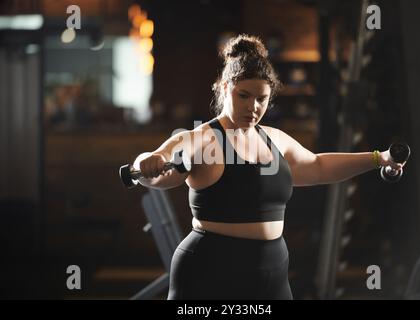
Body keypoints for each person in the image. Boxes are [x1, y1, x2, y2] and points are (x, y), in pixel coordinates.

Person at [133, 34, 405, 300]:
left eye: (261, 98)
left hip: (272, 272)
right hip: (211, 270)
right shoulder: (201, 138)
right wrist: (149, 160)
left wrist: (378, 158)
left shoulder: (273, 139)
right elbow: (164, 166)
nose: (253, 107)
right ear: (225, 87)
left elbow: (319, 166)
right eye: (244, 95)